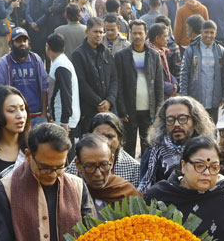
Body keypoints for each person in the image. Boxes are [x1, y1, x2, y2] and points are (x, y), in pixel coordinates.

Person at [138, 96, 216, 191]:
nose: (176, 124)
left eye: (182, 118)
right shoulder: (153, 153)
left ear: (195, 121)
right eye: (170, 120)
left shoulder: (209, 151)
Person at [115, 19, 164, 156]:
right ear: (130, 34)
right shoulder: (121, 56)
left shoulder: (154, 55)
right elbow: (118, 84)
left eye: (140, 33)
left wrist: (159, 109)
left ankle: (147, 175)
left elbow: (159, 85)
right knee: (128, 147)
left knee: (148, 147)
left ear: (146, 34)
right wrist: (121, 109)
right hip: (129, 111)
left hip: (149, 110)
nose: (137, 36)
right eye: (134, 33)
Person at [72, 17, 117, 137]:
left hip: (108, 111)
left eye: (101, 32)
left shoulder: (106, 52)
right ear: (87, 32)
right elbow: (81, 84)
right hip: (89, 113)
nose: (99, 35)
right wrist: (99, 103)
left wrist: (109, 100)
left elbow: (114, 79)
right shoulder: (78, 55)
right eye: (96, 31)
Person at [0, 27, 49, 126]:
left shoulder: (36, 60)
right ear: (11, 44)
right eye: (18, 41)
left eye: (25, 40)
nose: (22, 44)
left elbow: (44, 88)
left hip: (37, 116)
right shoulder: (3, 63)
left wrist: (44, 114)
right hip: (16, 117)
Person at [71, 133, 140, 210]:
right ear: (78, 164)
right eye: (90, 166)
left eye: (104, 164)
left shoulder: (126, 191)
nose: (98, 174)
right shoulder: (70, 192)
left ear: (112, 161)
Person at [180, 20, 223, 122]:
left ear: (215, 33)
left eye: (211, 32)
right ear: (201, 32)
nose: (208, 35)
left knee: (212, 128)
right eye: (206, 32)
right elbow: (184, 73)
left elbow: (223, 76)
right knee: (196, 129)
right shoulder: (191, 50)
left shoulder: (220, 50)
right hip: (195, 98)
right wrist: (183, 95)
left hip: (213, 98)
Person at [46, 33, 80, 136]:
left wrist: (64, 121)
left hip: (64, 123)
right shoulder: (60, 62)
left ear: (47, 47)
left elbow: (66, 93)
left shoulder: (61, 65)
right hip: (62, 120)